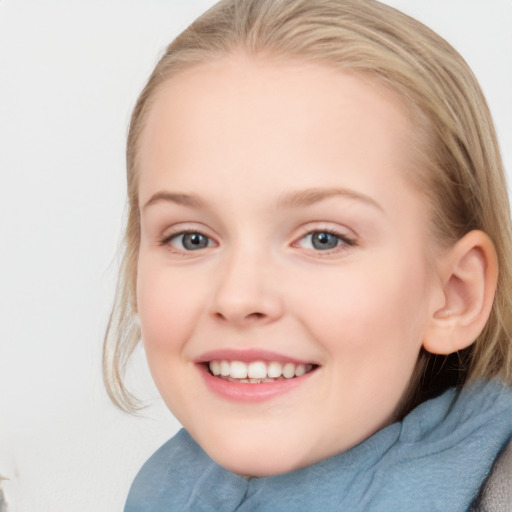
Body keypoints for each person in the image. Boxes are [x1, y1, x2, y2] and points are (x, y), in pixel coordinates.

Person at [103, 0, 512, 510]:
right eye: (192, 238)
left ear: (454, 295)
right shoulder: (162, 491)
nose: (237, 297)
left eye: (324, 238)